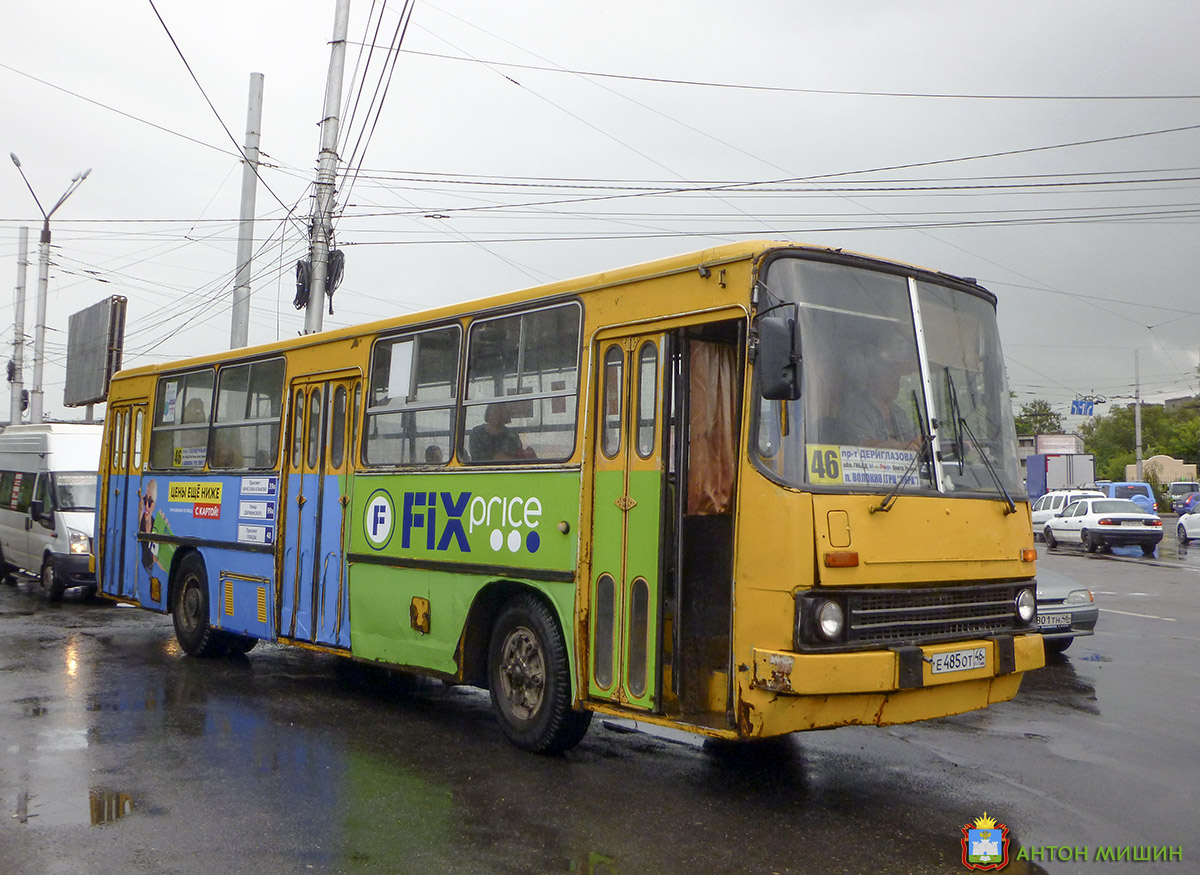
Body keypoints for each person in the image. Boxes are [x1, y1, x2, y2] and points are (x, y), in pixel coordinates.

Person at [469, 402, 533, 461]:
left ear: (506, 416)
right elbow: (476, 456)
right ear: (488, 414)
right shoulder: (477, 432)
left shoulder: (512, 435)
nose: (498, 416)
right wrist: (495, 458)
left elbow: (517, 456)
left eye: (502, 412)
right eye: (495, 412)